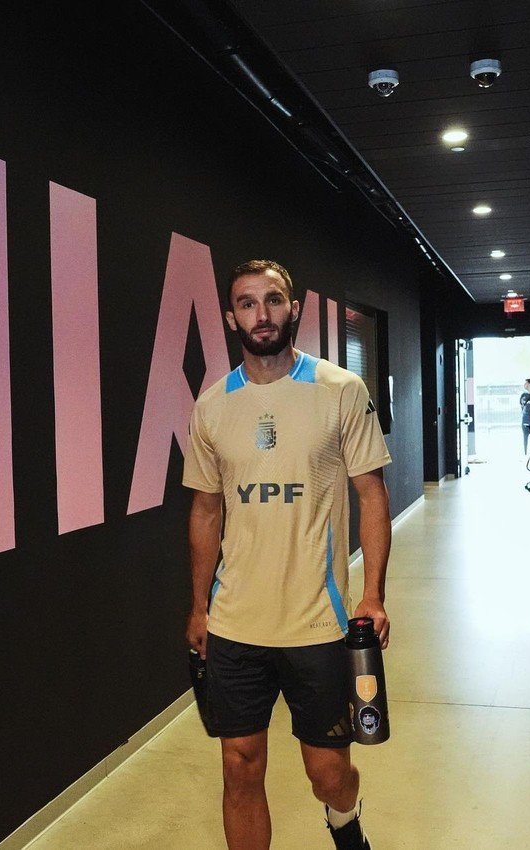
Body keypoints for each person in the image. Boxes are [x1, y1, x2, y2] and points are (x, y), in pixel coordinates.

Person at [182, 259, 392, 850]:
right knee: (239, 766)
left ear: (293, 309)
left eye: (272, 300)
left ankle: (344, 819)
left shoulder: (340, 390)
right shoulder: (212, 405)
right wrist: (198, 605)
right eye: (246, 303)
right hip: (235, 621)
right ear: (230, 317)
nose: (261, 314)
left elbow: (371, 495)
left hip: (317, 621)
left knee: (327, 773)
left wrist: (372, 593)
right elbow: (205, 511)